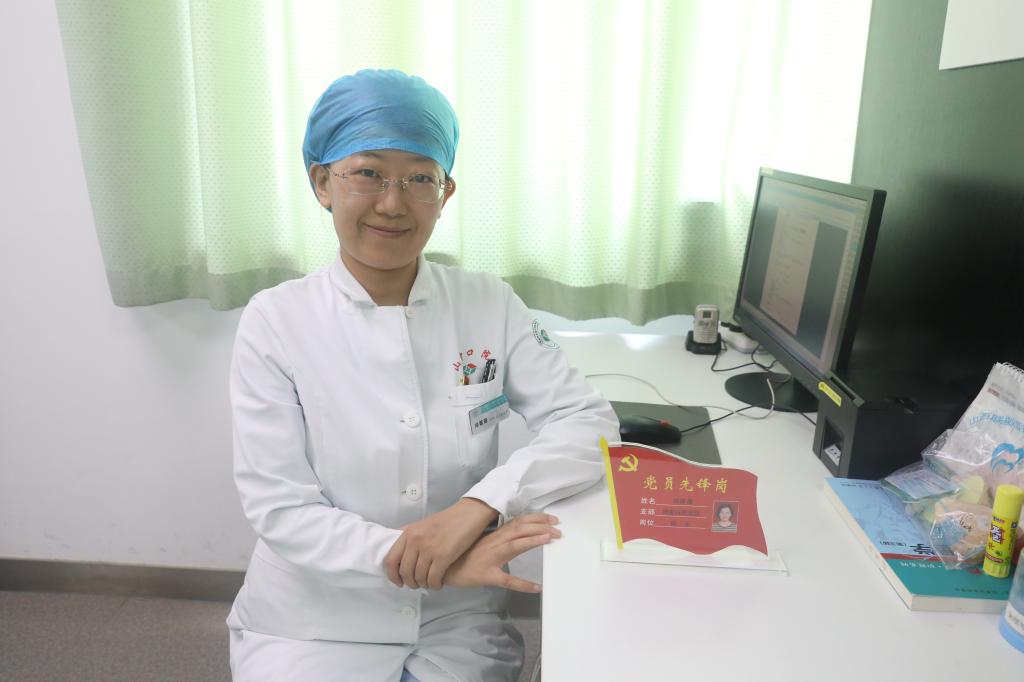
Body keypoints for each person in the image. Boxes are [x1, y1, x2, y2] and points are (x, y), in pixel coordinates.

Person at [225, 69, 619, 682]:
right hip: (314, 618)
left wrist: (480, 505)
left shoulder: (488, 303)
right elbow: (280, 508)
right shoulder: (276, 319)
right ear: (322, 183)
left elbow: (588, 423)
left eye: (419, 178)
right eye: (368, 173)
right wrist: (433, 559)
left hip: (453, 617)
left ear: (446, 192)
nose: (393, 202)